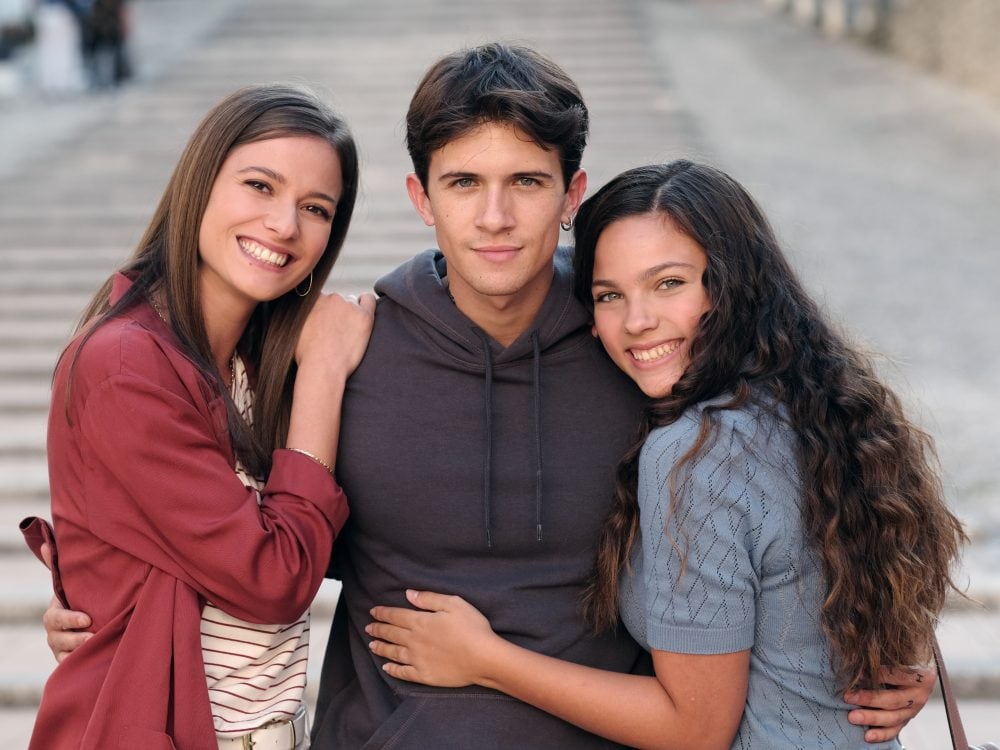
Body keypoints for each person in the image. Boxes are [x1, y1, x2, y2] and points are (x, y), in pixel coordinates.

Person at [41, 46, 932, 748]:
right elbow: (233, 522)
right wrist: (100, 600)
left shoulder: (640, 341)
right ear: (420, 198)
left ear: (572, 194)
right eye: (465, 183)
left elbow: (817, 466)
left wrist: (886, 647)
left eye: (528, 184)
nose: (495, 219)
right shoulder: (343, 352)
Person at [364, 160, 967, 749]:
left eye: (669, 283)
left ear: (731, 284)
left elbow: (694, 730)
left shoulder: (696, 455)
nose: (638, 322)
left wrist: (485, 659)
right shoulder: (820, 408)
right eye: (608, 295)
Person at [21, 82, 374, 749]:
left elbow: (326, 535)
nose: (285, 226)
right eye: (260, 187)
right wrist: (326, 375)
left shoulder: (258, 363)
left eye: (316, 208)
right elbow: (275, 578)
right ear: (201, 183)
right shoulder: (127, 364)